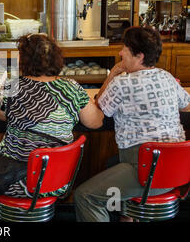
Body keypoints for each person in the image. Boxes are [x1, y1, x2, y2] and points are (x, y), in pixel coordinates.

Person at [0, 33, 104, 222]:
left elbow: (1, 115)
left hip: (12, 182)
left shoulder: (12, 87)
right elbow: (95, 122)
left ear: (23, 60)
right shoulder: (72, 88)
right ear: (57, 59)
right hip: (55, 181)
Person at [74, 26, 190, 222]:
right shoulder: (167, 78)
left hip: (147, 171)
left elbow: (98, 107)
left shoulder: (122, 84)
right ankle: (126, 217)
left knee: (85, 196)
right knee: (111, 165)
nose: (120, 53)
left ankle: (124, 213)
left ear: (139, 56)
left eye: (125, 49)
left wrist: (113, 73)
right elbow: (186, 106)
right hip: (177, 171)